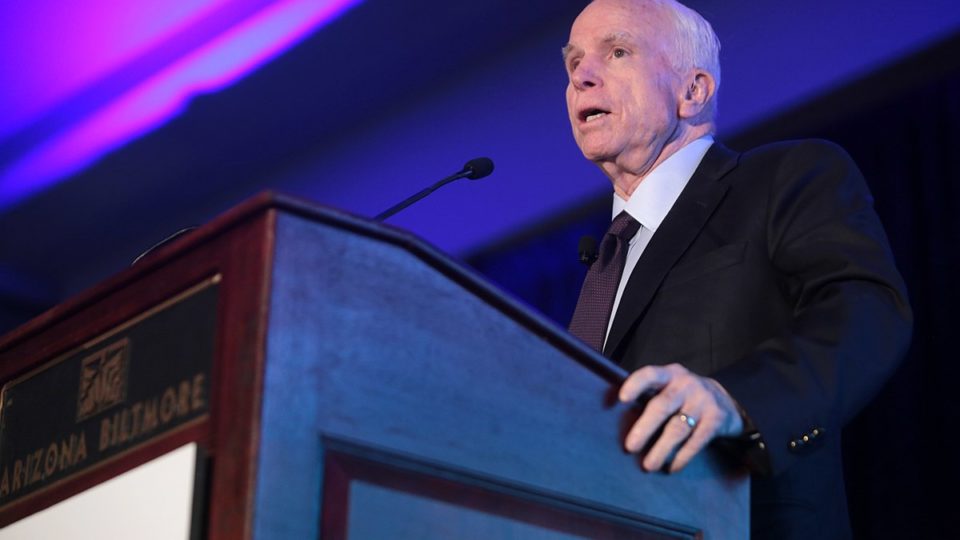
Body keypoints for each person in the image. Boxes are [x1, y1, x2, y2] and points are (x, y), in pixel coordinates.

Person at [562, 0, 912, 538]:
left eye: (617, 52)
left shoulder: (785, 178)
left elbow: (865, 313)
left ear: (692, 91)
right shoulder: (602, 259)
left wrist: (737, 399)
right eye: (574, 63)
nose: (582, 77)